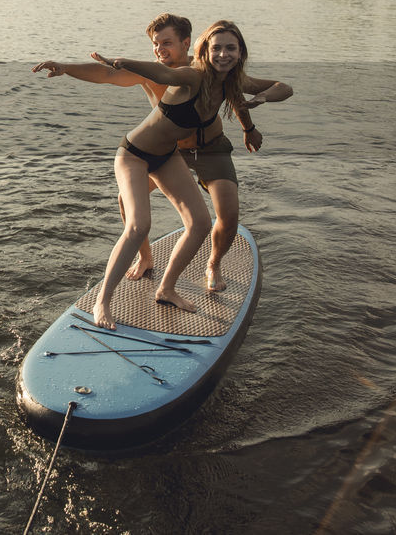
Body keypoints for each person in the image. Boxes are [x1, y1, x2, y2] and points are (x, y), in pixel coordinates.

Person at [34, 19, 292, 329]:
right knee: (138, 224)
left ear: (187, 43)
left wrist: (255, 110)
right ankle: (104, 299)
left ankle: (167, 288)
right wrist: (75, 65)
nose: (159, 49)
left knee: (199, 224)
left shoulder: (222, 75)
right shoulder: (188, 74)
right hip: (136, 154)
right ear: (206, 49)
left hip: (179, 153)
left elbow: (276, 88)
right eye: (156, 44)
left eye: (166, 43)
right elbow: (144, 74)